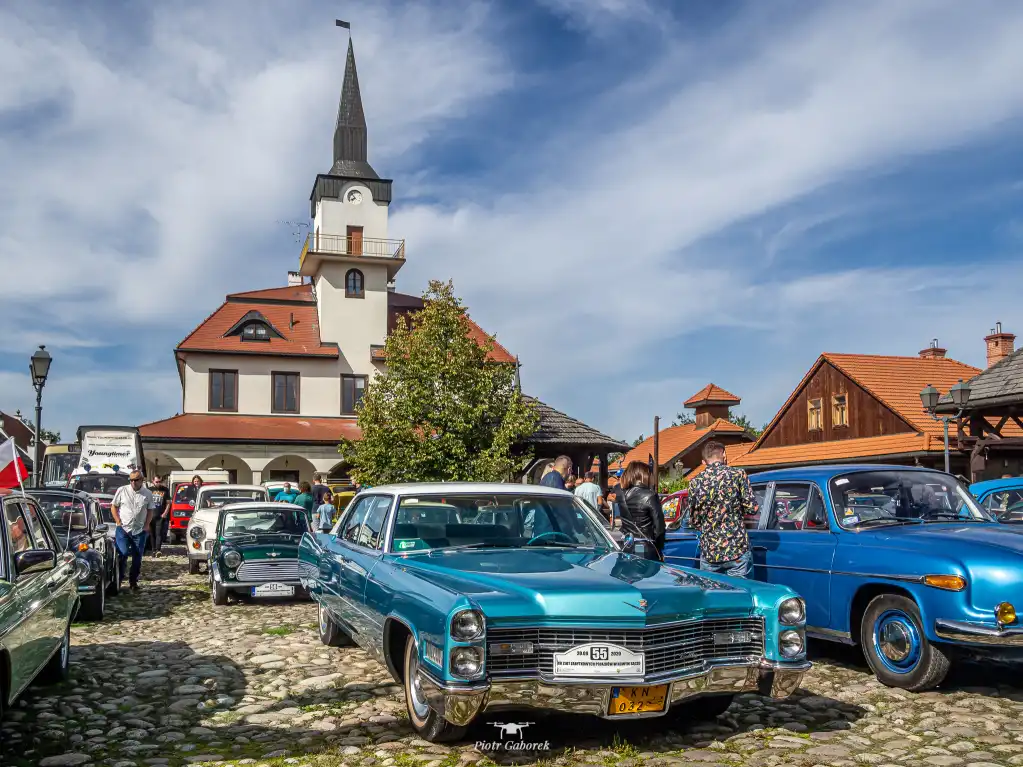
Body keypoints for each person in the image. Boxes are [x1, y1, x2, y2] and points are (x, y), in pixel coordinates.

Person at [687, 441, 757, 578]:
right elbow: (752, 508)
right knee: (740, 595)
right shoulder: (738, 474)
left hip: (710, 551)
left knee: (712, 596)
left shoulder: (695, 482)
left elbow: (694, 520)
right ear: (724, 454)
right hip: (736, 548)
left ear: (704, 461)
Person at [111, 470, 155, 590]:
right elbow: (114, 506)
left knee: (137, 557)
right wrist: (118, 522)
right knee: (123, 553)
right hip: (123, 529)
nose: (133, 482)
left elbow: (150, 510)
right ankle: (118, 581)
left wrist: (147, 525)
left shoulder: (147, 493)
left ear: (142, 480)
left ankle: (133, 581)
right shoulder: (122, 490)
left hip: (139, 530)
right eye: (131, 480)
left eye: (136, 480)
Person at [617, 461, 665, 559]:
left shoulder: (621, 495)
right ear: (643, 475)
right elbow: (659, 527)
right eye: (650, 473)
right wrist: (659, 549)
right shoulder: (650, 495)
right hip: (646, 546)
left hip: (627, 544)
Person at [148, 474, 171, 557]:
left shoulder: (165, 490)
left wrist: (165, 513)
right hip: (151, 515)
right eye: (157, 481)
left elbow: (168, 503)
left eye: (160, 481)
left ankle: (158, 550)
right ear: (153, 481)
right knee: (152, 534)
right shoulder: (149, 490)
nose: (158, 483)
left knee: (159, 533)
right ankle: (153, 550)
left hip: (160, 515)